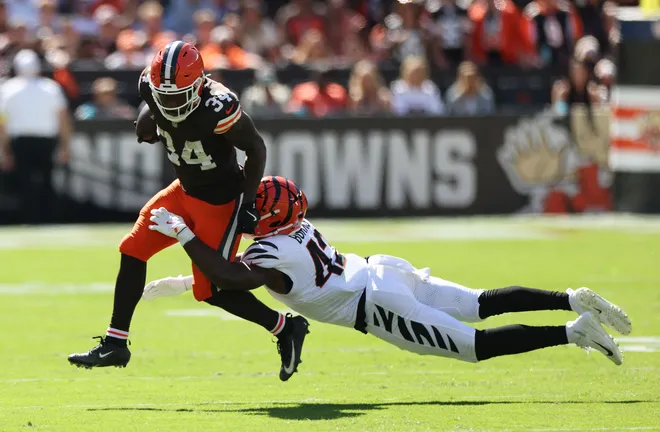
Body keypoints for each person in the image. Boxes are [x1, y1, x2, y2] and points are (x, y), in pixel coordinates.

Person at [143, 177, 631, 380]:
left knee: (477, 346)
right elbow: (243, 273)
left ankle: (572, 331)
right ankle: (569, 298)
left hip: (376, 306)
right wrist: (187, 284)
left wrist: (186, 236)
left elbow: (232, 277)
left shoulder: (271, 251)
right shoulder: (298, 228)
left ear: (269, 218)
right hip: (382, 269)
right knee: (481, 302)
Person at [67, 42, 309, 382]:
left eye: (177, 95)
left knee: (210, 290)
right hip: (183, 190)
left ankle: (285, 327)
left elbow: (255, 148)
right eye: (162, 97)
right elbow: (153, 109)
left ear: (198, 84)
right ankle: (115, 342)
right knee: (132, 248)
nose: (169, 103)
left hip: (220, 202)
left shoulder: (219, 106)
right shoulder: (150, 87)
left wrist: (249, 202)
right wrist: (149, 121)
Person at [0, 49, 71, 224]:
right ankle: (47, 218)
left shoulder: (7, 89)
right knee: (46, 180)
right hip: (45, 140)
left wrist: (4, 150)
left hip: (21, 142)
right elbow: (63, 119)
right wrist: (64, 146)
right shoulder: (50, 87)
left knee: (25, 183)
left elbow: (2, 123)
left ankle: (29, 219)